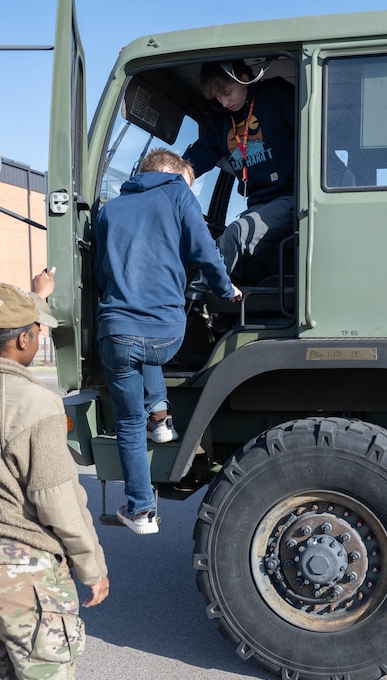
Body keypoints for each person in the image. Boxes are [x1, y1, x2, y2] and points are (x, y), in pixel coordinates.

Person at [0, 279, 110, 680]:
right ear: (23, 339)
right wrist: (93, 566)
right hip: (16, 565)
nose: (42, 338)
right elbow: (58, 500)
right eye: (38, 330)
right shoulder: (33, 402)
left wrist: (37, 293)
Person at [94, 148, 241, 535]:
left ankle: (141, 511)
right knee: (150, 349)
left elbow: (100, 274)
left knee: (128, 423)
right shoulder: (177, 192)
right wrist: (226, 290)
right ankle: (160, 417)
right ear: (171, 173)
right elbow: (204, 250)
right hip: (166, 337)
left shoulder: (109, 210)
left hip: (116, 332)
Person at [183, 60, 295, 287]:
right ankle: (223, 319)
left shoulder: (276, 94)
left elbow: (315, 130)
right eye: (217, 98)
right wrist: (163, 177)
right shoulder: (220, 121)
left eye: (227, 92)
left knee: (237, 234)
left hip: (292, 197)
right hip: (257, 203)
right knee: (228, 253)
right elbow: (196, 159)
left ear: (244, 78)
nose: (224, 103)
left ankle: (197, 298)